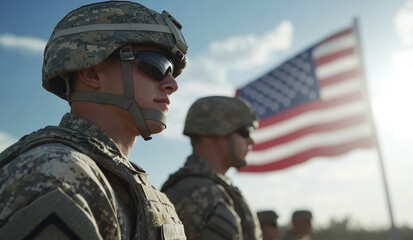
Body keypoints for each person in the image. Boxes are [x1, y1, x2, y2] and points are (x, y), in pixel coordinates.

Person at [0, 1, 189, 239]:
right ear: (92, 73)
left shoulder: (113, 178)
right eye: (157, 65)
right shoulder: (59, 173)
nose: (172, 85)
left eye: (172, 70)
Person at [161, 96, 263, 240]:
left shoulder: (213, 189)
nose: (251, 141)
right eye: (245, 131)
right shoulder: (200, 194)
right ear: (218, 131)